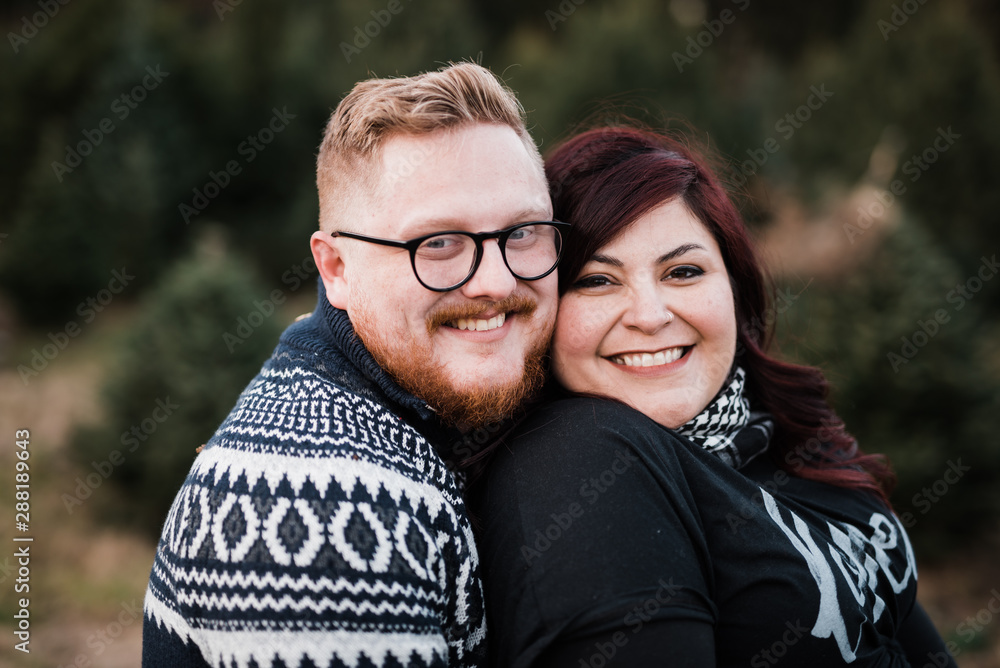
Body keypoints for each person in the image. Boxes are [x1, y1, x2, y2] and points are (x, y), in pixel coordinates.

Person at [472, 126, 957, 667]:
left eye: (683, 271)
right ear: (541, 307)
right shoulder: (577, 458)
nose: (650, 316)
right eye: (596, 280)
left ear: (734, 287)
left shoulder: (773, 430)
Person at [142, 62, 565, 668]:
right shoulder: (325, 516)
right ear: (336, 268)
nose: (496, 282)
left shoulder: (393, 416)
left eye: (522, 232)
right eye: (438, 243)